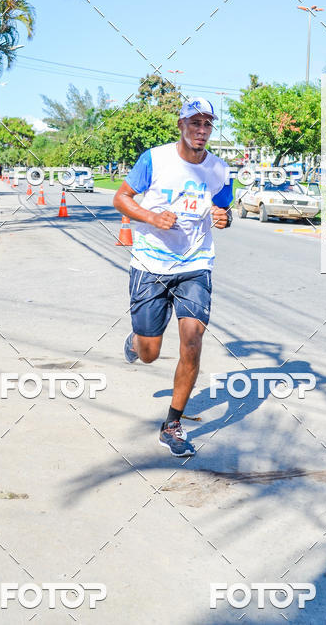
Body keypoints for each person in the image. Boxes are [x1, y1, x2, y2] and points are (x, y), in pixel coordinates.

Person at [113, 98, 233, 457]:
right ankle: (136, 343)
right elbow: (121, 198)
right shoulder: (155, 159)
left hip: (195, 265)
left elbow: (223, 210)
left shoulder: (220, 170)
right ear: (181, 125)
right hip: (151, 265)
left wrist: (225, 219)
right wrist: (151, 218)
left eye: (207, 124)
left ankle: (172, 425)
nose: (201, 130)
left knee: (192, 341)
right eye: (194, 123)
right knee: (150, 353)